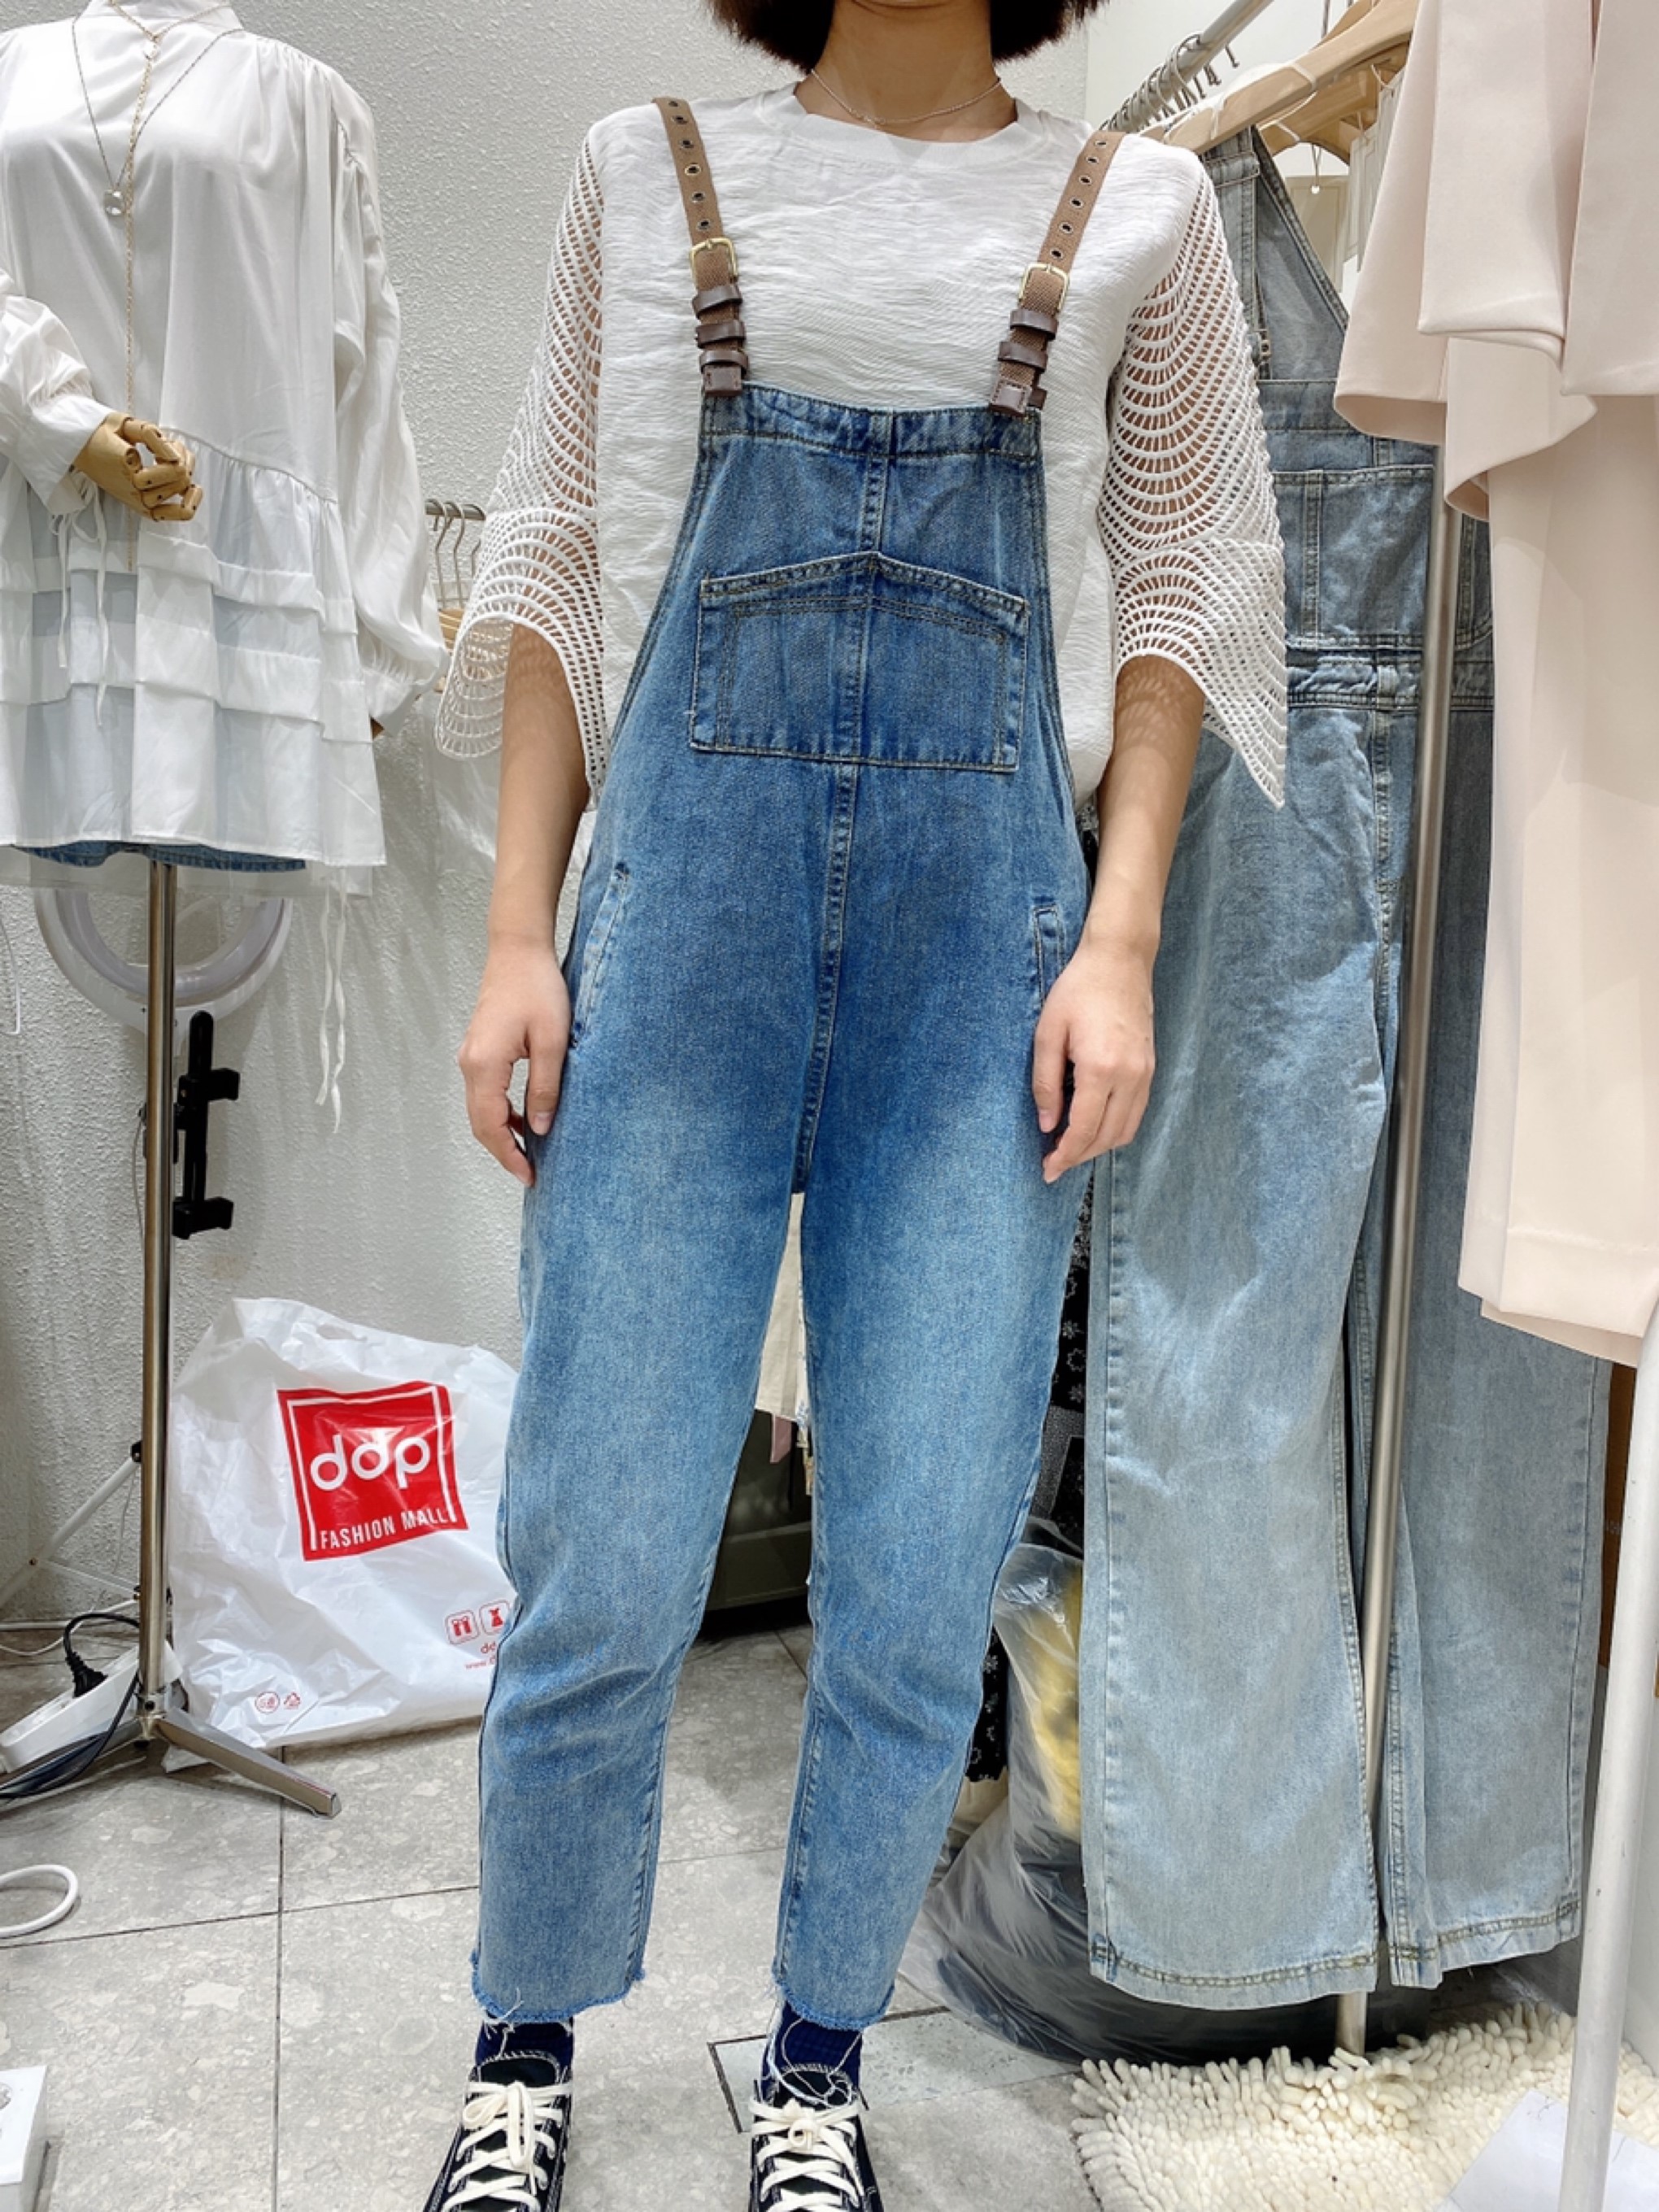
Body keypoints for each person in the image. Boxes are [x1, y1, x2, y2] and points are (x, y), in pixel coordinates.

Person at [428, 0, 1285, 2204]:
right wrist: (518, 931)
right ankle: (522, 2042)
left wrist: (1121, 939)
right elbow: (556, 553)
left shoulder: (1139, 208)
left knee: (914, 1573)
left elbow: (1184, 587)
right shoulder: (646, 176)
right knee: (600, 1546)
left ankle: (815, 2067)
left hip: (982, 971)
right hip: (673, 952)